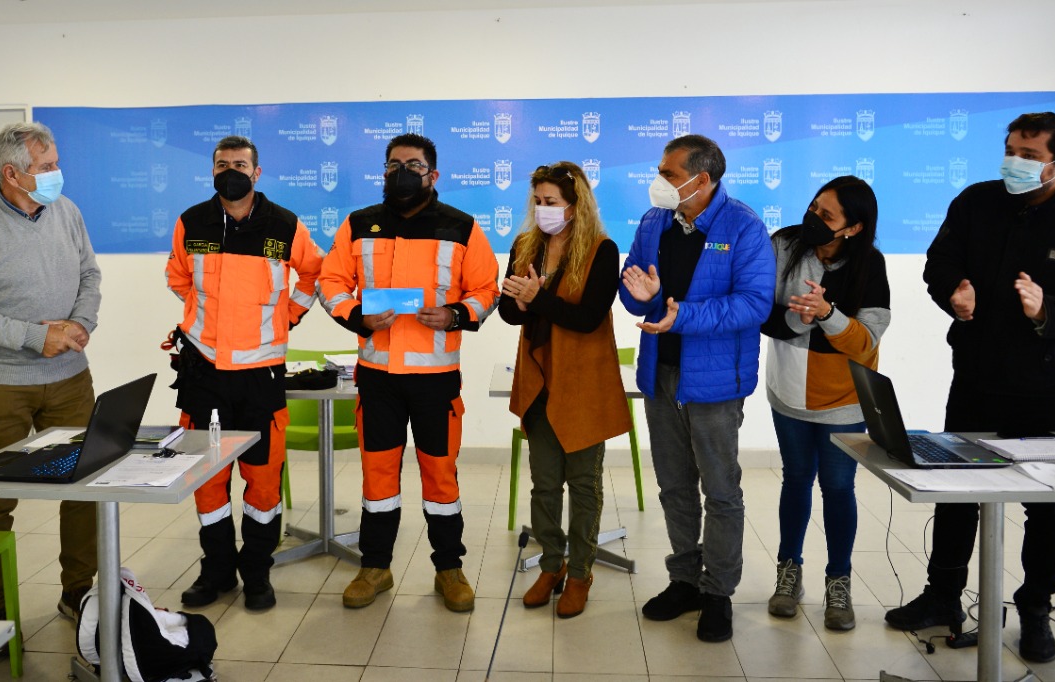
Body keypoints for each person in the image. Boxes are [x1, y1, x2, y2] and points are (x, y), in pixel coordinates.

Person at [887, 112, 1055, 663]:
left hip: (1052, 388)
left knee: (1048, 508)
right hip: (977, 379)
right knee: (956, 495)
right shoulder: (977, 201)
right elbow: (939, 261)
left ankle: (1036, 610)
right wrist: (954, 291)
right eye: (1011, 150)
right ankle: (942, 595)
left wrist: (1051, 310)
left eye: (1028, 155)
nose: (1014, 163)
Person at [318, 133, 500, 612]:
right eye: (394, 164)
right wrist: (357, 315)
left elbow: (486, 288)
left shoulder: (461, 227)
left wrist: (457, 314)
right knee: (378, 475)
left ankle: (449, 569)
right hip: (377, 376)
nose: (403, 172)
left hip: (435, 379)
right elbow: (331, 281)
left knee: (440, 477)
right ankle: (375, 566)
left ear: (432, 175)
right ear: (384, 171)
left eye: (414, 165)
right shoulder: (360, 224)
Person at [0, 121, 101, 627]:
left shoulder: (66, 212)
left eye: (55, 162)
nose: (58, 174)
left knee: (85, 486)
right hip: (1, 383)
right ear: (13, 174)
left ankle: (78, 594)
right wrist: (37, 337)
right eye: (47, 166)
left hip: (70, 376)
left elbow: (90, 275)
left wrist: (80, 322)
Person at [619, 134, 775, 642]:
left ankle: (718, 593)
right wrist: (642, 295)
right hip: (661, 375)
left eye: (668, 173)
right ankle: (684, 580)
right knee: (674, 488)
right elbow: (636, 288)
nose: (658, 181)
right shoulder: (653, 223)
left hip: (714, 384)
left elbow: (754, 304)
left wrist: (679, 314)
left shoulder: (744, 226)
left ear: (700, 180)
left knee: (721, 492)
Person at [165, 135, 323, 611]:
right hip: (204, 371)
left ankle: (257, 573)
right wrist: (201, 321)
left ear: (257, 173)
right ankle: (215, 572)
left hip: (260, 375)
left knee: (262, 480)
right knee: (207, 479)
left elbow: (314, 274)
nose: (229, 170)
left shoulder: (284, 225)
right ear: (211, 171)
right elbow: (177, 275)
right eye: (221, 164)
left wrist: (288, 315)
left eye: (239, 164)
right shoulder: (192, 222)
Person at [498, 162, 632, 619]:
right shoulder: (525, 245)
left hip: (583, 380)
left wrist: (539, 300)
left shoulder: (601, 249)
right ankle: (550, 565)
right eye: (537, 201)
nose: (542, 210)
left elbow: (588, 318)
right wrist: (519, 303)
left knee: (584, 483)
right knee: (545, 483)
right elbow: (509, 313)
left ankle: (580, 573)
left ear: (575, 205)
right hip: (539, 378)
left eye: (551, 202)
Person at [759, 176, 889, 631]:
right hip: (790, 393)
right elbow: (761, 311)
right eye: (814, 206)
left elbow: (866, 342)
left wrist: (828, 315)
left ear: (852, 228)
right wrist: (800, 316)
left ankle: (839, 580)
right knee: (796, 480)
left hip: (845, 403)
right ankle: (788, 573)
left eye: (827, 215)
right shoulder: (782, 246)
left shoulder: (870, 264)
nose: (813, 217)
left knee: (837, 488)